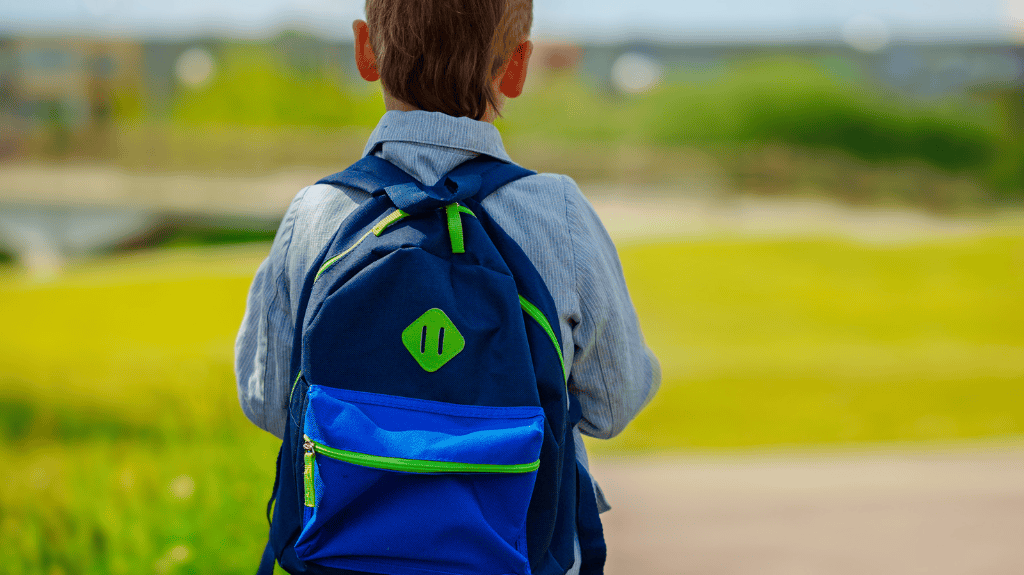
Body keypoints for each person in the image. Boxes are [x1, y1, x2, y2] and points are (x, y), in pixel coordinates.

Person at [234, 0, 661, 572]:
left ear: (366, 50)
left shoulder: (319, 213)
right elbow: (614, 403)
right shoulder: (557, 213)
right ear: (516, 66)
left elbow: (267, 403)